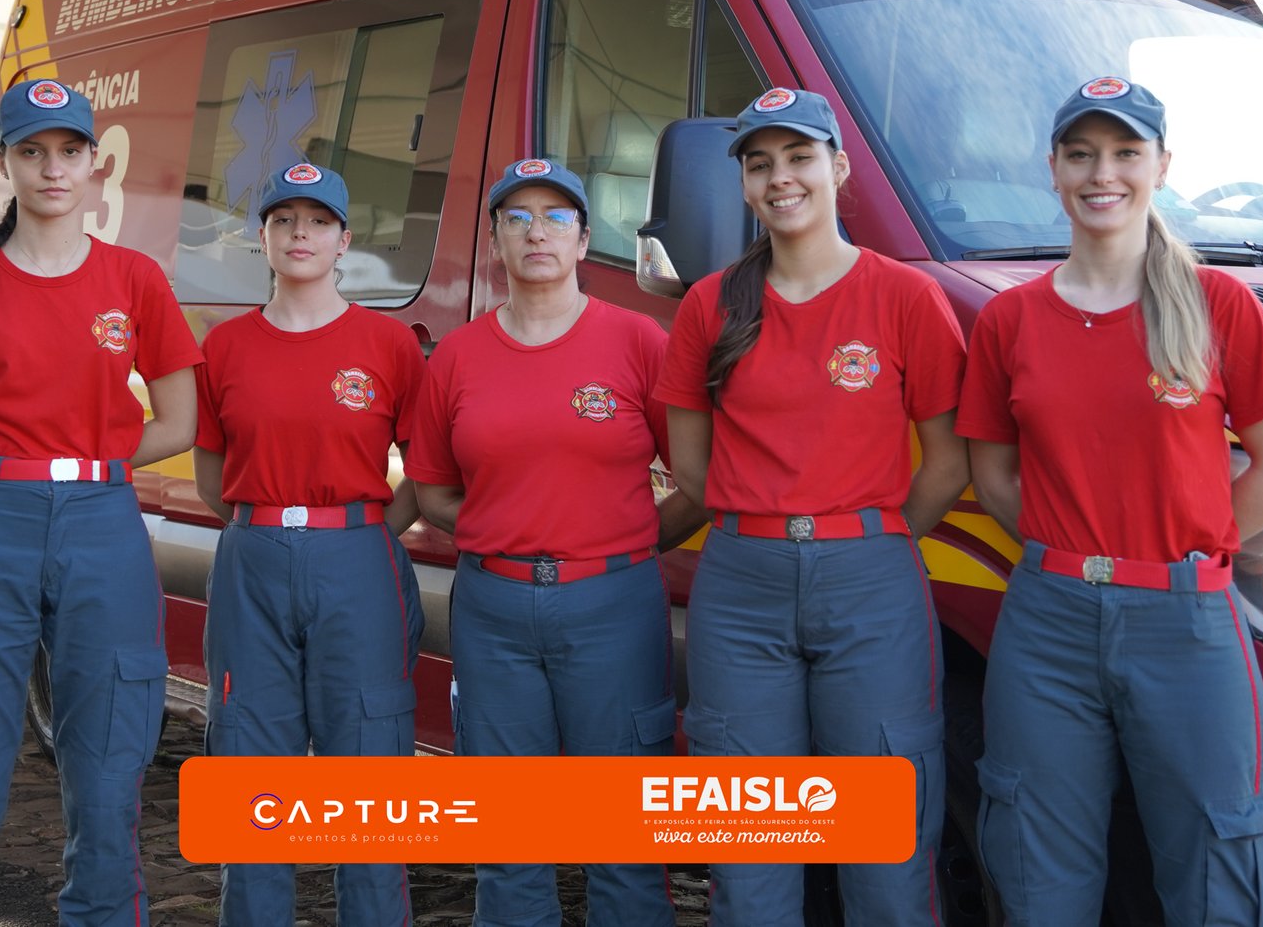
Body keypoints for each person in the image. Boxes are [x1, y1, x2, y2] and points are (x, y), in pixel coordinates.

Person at [956, 76, 1263, 926]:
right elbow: (995, 475)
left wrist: (1181, 549)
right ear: (1053, 168)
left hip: (1186, 620)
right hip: (1047, 619)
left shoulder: (1218, 303)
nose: (1102, 173)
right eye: (1081, 154)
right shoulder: (1010, 320)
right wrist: (1074, 549)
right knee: (1035, 858)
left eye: (1125, 152)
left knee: (1226, 859)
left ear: (1162, 165)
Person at [0, 78, 202, 927]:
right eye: (33, 151)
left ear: (94, 164)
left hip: (102, 522)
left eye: (70, 151)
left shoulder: (135, 279)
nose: (54, 168)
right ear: (6, 163)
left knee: (111, 749)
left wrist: (86, 463)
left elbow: (179, 420)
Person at [655, 87, 969, 925]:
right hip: (741, 584)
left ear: (839, 167)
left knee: (885, 841)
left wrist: (872, 539)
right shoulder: (711, 304)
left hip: (871, 581)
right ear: (744, 184)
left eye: (799, 158)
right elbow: (692, 466)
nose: (780, 178)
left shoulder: (905, 297)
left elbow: (948, 462)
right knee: (748, 846)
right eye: (760, 164)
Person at [407, 158, 701, 927]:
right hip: (494, 609)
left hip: (615, 605)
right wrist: (500, 534)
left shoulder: (638, 341)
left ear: (584, 239)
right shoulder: (458, 357)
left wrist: (625, 542)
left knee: (623, 832)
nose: (537, 232)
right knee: (510, 836)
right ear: (494, 241)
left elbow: (699, 479)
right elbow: (433, 489)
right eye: (517, 218)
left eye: (556, 217)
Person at [193, 162, 425, 926]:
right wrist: (267, 524)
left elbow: (425, 471)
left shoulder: (388, 343)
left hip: (357, 559)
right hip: (252, 559)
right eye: (284, 220)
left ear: (344, 239)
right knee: (251, 771)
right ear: (260, 236)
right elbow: (211, 472)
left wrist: (363, 536)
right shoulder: (225, 346)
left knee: (368, 777)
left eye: (319, 221)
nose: (301, 234)